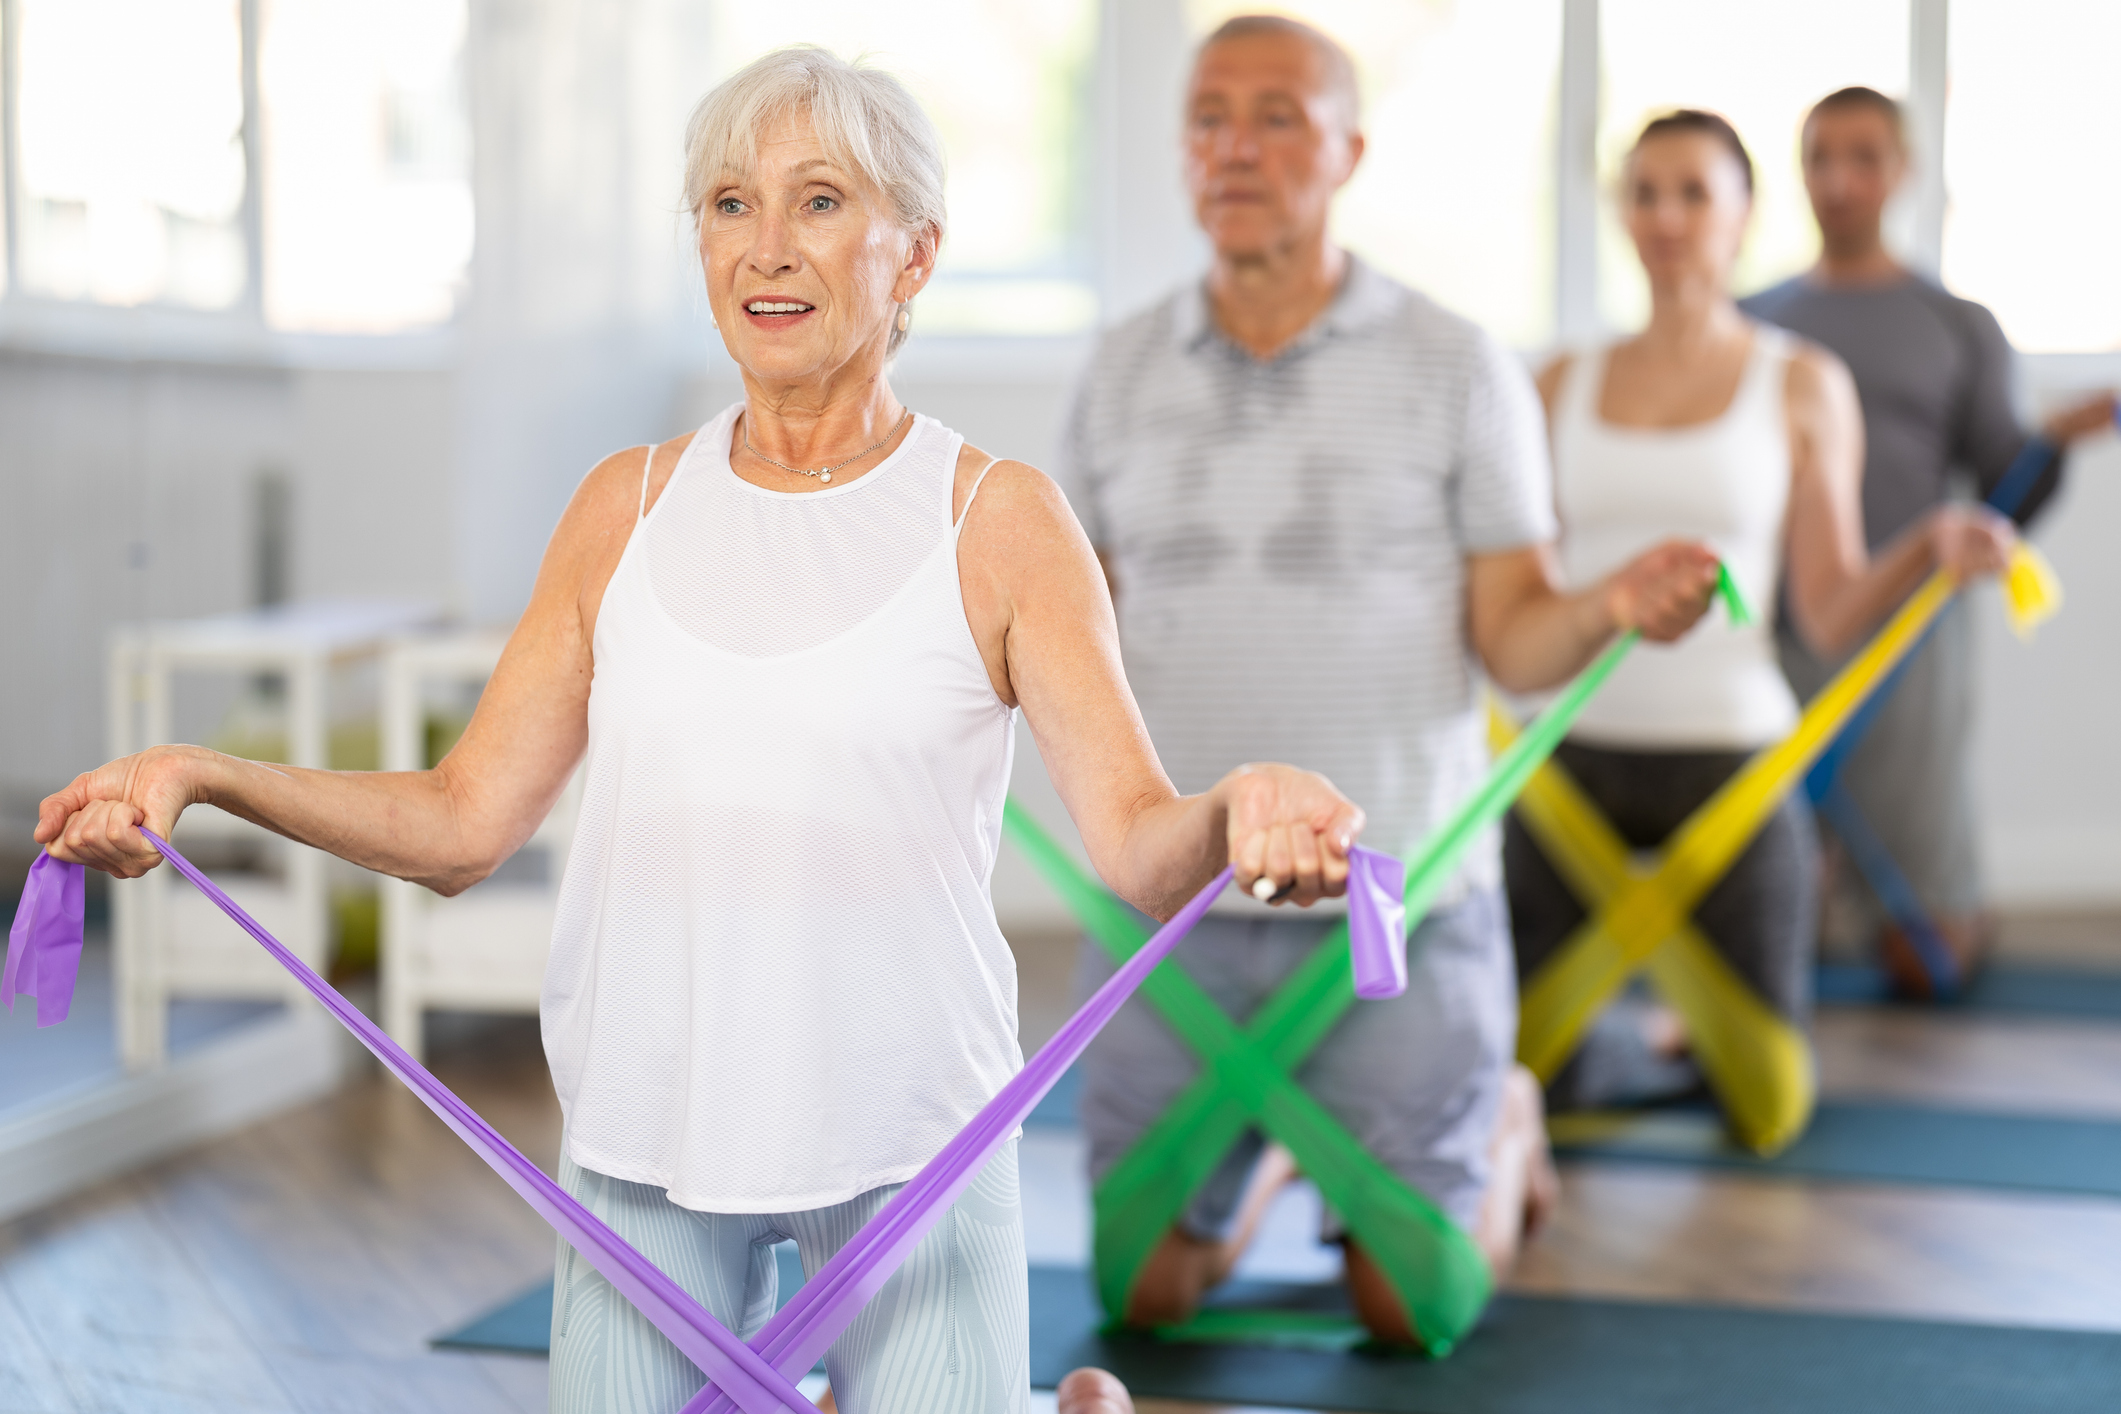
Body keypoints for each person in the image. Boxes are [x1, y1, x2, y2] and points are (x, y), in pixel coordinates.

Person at [32, 47, 1370, 1414]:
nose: (766, 249)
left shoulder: (1001, 521)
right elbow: (458, 824)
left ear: (913, 255)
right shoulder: (625, 505)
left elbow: (1143, 847)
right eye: (729, 204)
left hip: (914, 1140)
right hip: (645, 1138)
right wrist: (201, 774)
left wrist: (1242, 809)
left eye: (821, 201)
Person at [1056, 15, 1728, 1348]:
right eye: (1206, 117)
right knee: (1138, 1298)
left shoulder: (1454, 362)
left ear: (1348, 148)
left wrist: (1605, 608)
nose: (1233, 147)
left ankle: (1497, 1112)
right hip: (1176, 917)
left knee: (1406, 1310)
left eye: (1277, 116)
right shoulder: (1115, 373)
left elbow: (1516, 636)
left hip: (1394, 910)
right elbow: (1080, 642)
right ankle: (1293, 1154)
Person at [1507, 110, 2018, 1110]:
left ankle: (1686, 1041)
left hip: (1735, 762)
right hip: (1568, 759)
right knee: (1529, 1076)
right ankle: (1647, 1053)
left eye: (1694, 192)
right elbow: (1521, 593)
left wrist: (1929, 544)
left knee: (1770, 1102)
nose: (1666, 217)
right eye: (1644, 192)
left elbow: (1827, 613)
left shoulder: (1801, 383)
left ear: (1744, 215)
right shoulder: (1559, 379)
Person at [1741, 86, 2117, 995]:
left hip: (1904, 636)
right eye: (1820, 158)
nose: (1838, 181)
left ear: (1901, 172)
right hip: (1771, 627)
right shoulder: (1750, 322)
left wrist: (2053, 442)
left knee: (1925, 964)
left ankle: (1931, 903)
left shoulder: (1956, 325)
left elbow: (2001, 491)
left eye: (1862, 158)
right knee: (1765, 903)